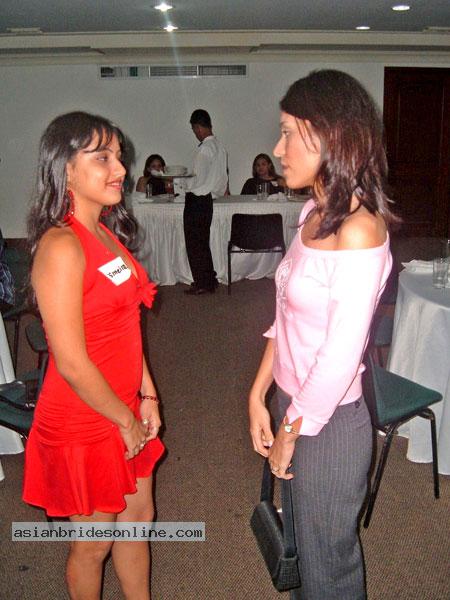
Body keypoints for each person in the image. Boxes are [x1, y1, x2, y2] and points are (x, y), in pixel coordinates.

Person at [248, 70, 398, 600]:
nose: (277, 148)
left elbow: (339, 357)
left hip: (328, 423)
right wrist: (257, 393)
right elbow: (285, 312)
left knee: (328, 566)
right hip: (293, 402)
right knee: (301, 549)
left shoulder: (360, 230)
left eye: (289, 132)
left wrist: (290, 431)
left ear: (331, 137)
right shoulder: (313, 212)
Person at [23, 111, 165, 600]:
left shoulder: (106, 234)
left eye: (119, 157)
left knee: (138, 522)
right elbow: (71, 361)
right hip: (85, 418)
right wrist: (124, 421)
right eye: (102, 158)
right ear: (65, 169)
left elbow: (127, 324)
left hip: (124, 405)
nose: (120, 168)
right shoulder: (61, 246)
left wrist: (147, 394)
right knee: (93, 546)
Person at [184, 109, 228, 295]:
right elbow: (222, 178)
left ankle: (203, 282)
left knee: (195, 243)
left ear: (198, 127)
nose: (195, 133)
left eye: (195, 129)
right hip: (208, 199)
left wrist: (182, 184)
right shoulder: (220, 147)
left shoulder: (204, 149)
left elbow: (198, 179)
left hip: (197, 199)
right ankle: (209, 279)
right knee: (202, 242)